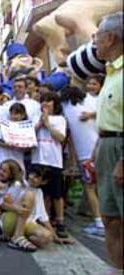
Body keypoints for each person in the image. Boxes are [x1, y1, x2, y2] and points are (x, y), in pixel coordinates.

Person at [93, 12, 123, 273]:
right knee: (111, 218)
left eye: (98, 36)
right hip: (106, 147)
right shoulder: (111, 72)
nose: (95, 42)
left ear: (111, 38)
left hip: (120, 151)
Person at [61, 86, 104, 236]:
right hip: (102, 146)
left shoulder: (66, 108)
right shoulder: (93, 100)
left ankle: (100, 224)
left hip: (85, 154)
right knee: (103, 187)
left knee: (90, 188)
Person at [32, 92, 68, 238]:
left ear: (55, 103)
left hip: (53, 161)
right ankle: (43, 219)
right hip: (38, 159)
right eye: (43, 101)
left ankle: (60, 221)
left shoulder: (60, 119)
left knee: (57, 193)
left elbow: (61, 138)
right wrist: (40, 123)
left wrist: (48, 124)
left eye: (49, 101)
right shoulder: (35, 118)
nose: (45, 104)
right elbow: (29, 134)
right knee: (42, 193)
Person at [21, 166, 74, 247]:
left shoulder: (39, 192)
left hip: (29, 223)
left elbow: (44, 217)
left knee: (47, 238)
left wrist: (55, 237)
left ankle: (23, 236)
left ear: (44, 182)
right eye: (31, 174)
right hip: (16, 219)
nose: (31, 178)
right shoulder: (21, 185)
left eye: (36, 177)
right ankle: (18, 235)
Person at [0, 103, 29, 171]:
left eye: (16, 114)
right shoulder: (5, 125)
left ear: (23, 115)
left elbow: (29, 147)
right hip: (3, 160)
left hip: (18, 162)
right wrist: (7, 145)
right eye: (12, 114)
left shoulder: (27, 129)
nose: (13, 116)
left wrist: (19, 146)